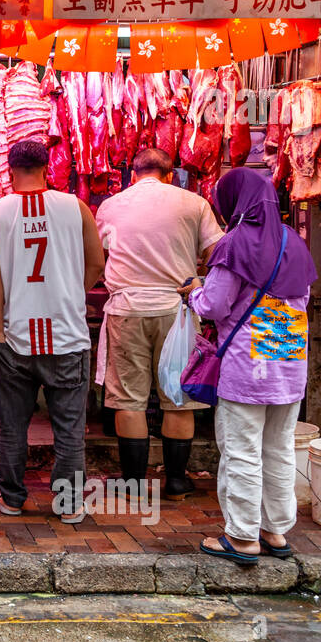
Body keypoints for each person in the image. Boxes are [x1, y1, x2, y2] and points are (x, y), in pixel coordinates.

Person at [178, 167, 317, 566]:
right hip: (288, 360)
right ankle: (275, 531)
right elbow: (301, 301)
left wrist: (193, 293)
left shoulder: (234, 243)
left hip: (246, 365)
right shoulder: (295, 242)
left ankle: (241, 537)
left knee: (241, 450)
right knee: (279, 448)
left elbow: (215, 305)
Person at [0, 140, 105, 524]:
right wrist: (70, 293)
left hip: (14, 337)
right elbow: (97, 262)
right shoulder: (75, 207)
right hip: (67, 336)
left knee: (12, 425)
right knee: (69, 427)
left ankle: (13, 499)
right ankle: (67, 504)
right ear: (48, 167)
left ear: (9, 167)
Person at [95, 148, 223, 498]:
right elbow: (218, 254)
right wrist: (201, 282)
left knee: (128, 399)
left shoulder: (110, 206)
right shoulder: (193, 203)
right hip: (177, 309)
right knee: (178, 397)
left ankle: (134, 484)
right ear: (170, 175)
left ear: (133, 176)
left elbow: (100, 252)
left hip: (127, 309)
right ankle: (177, 482)